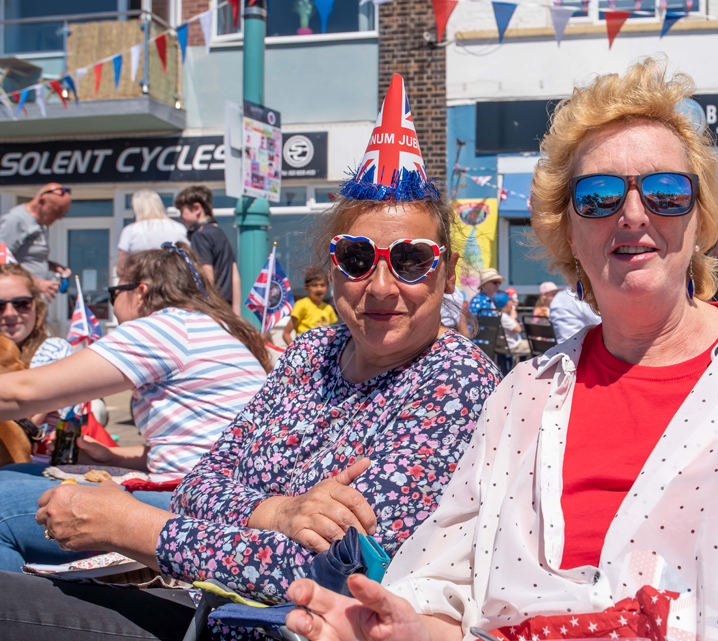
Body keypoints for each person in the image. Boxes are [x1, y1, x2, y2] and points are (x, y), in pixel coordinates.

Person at [280, 57, 718, 641]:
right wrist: (400, 628)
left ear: (701, 219)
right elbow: (445, 590)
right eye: (599, 196)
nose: (633, 214)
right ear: (568, 231)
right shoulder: (522, 397)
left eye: (665, 193)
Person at [0, 73, 501, 641]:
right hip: (206, 602)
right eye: (358, 258)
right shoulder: (313, 351)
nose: (382, 286)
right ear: (334, 267)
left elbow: (333, 573)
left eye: (411, 260)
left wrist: (129, 526)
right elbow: (199, 484)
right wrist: (277, 513)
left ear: (448, 273)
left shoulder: (456, 379)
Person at [0, 243, 270, 572]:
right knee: (14, 474)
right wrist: (111, 456)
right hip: (227, 498)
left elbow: (24, 393)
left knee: (2, 502)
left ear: (139, 292)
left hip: (200, 507)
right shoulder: (211, 327)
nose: (113, 303)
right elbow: (199, 445)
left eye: (115, 292)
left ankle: (22, 603)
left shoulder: (164, 329)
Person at [0, 264, 73, 436]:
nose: (10, 313)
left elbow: (29, 421)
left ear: (37, 305)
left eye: (21, 303)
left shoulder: (54, 350)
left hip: (39, 452)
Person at [174, 185, 241, 315]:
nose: (180, 217)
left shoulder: (200, 235)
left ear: (197, 208)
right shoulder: (219, 233)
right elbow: (235, 277)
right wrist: (236, 314)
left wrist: (200, 307)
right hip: (227, 308)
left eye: (182, 211)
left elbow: (206, 276)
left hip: (212, 308)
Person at [0, 183, 72, 301]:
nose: (60, 217)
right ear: (42, 201)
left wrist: (53, 266)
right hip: (16, 300)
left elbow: (27, 258)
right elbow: (2, 260)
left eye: (63, 213)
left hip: (32, 298)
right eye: (57, 211)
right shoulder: (15, 220)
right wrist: (37, 283)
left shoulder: (40, 224)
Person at [117, 189, 189, 272]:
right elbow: (188, 257)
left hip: (142, 276)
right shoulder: (178, 228)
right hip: (173, 276)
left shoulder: (131, 230)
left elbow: (121, 266)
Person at [282, 265, 338, 345]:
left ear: (328, 287)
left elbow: (331, 334)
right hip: (304, 348)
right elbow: (286, 334)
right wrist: (295, 350)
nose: (319, 289)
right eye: (314, 285)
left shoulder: (328, 308)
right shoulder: (301, 305)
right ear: (306, 287)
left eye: (322, 285)